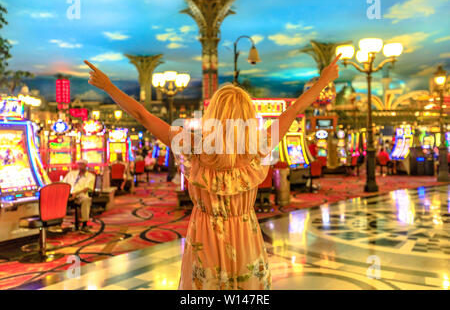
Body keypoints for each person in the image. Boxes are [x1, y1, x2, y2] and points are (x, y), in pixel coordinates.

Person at [84, 54, 340, 290]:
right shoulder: (260, 144)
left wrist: (108, 86)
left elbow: (143, 115)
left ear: (212, 113)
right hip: (245, 237)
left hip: (204, 235)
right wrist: (324, 80)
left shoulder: (192, 145)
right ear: (248, 116)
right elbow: (294, 109)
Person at [63, 159, 95, 233]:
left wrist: (75, 194)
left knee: (86, 199)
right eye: (79, 164)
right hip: (68, 194)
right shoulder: (71, 174)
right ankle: (56, 223)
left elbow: (86, 189)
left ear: (86, 166)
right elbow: (63, 183)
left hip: (80, 195)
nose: (80, 166)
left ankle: (84, 224)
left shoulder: (90, 176)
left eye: (82, 164)